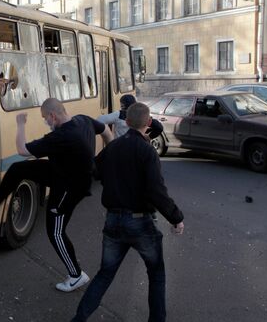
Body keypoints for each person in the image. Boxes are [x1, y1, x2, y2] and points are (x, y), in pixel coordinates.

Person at [0, 98, 113, 292]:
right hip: (62, 171)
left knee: (55, 231)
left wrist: (21, 124)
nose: (45, 122)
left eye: (45, 119)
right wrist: (104, 160)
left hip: (69, 188)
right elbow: (106, 131)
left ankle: (76, 275)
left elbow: (22, 149)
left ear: (53, 116)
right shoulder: (84, 120)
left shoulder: (61, 136)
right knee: (18, 169)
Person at [71, 102, 185, 322]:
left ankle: (79, 318)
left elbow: (94, 171)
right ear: (148, 123)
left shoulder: (112, 148)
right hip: (140, 223)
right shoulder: (147, 151)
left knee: (105, 274)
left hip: (113, 221)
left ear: (126, 122)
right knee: (156, 274)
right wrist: (176, 218)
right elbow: (156, 191)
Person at [97, 94, 163, 140]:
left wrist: (108, 134)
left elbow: (99, 120)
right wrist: (149, 137)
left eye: (121, 105)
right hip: (138, 146)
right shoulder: (141, 115)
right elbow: (159, 127)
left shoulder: (119, 114)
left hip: (121, 146)